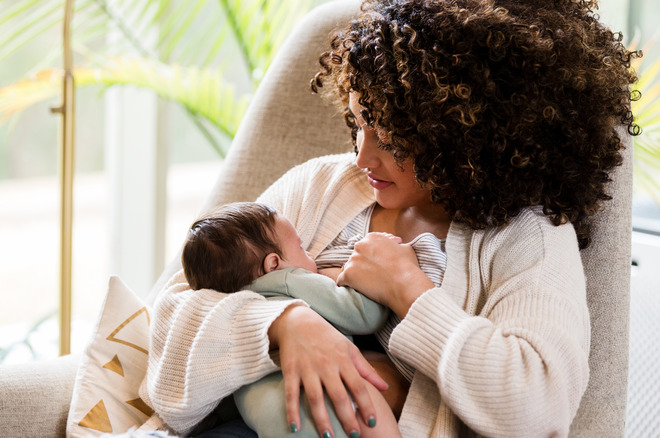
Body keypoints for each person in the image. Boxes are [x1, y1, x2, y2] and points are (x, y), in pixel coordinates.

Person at [143, 0, 640, 436]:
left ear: (466, 137)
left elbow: (536, 407)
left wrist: (408, 290)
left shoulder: (526, 237)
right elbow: (168, 329)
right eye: (360, 124)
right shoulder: (323, 185)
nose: (363, 157)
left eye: (395, 140)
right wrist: (286, 325)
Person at [180, 201, 446, 437]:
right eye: (300, 247)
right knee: (367, 399)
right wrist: (353, 276)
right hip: (323, 405)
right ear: (273, 264)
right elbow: (363, 315)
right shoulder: (290, 280)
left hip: (269, 420)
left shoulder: (232, 304)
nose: (310, 255)